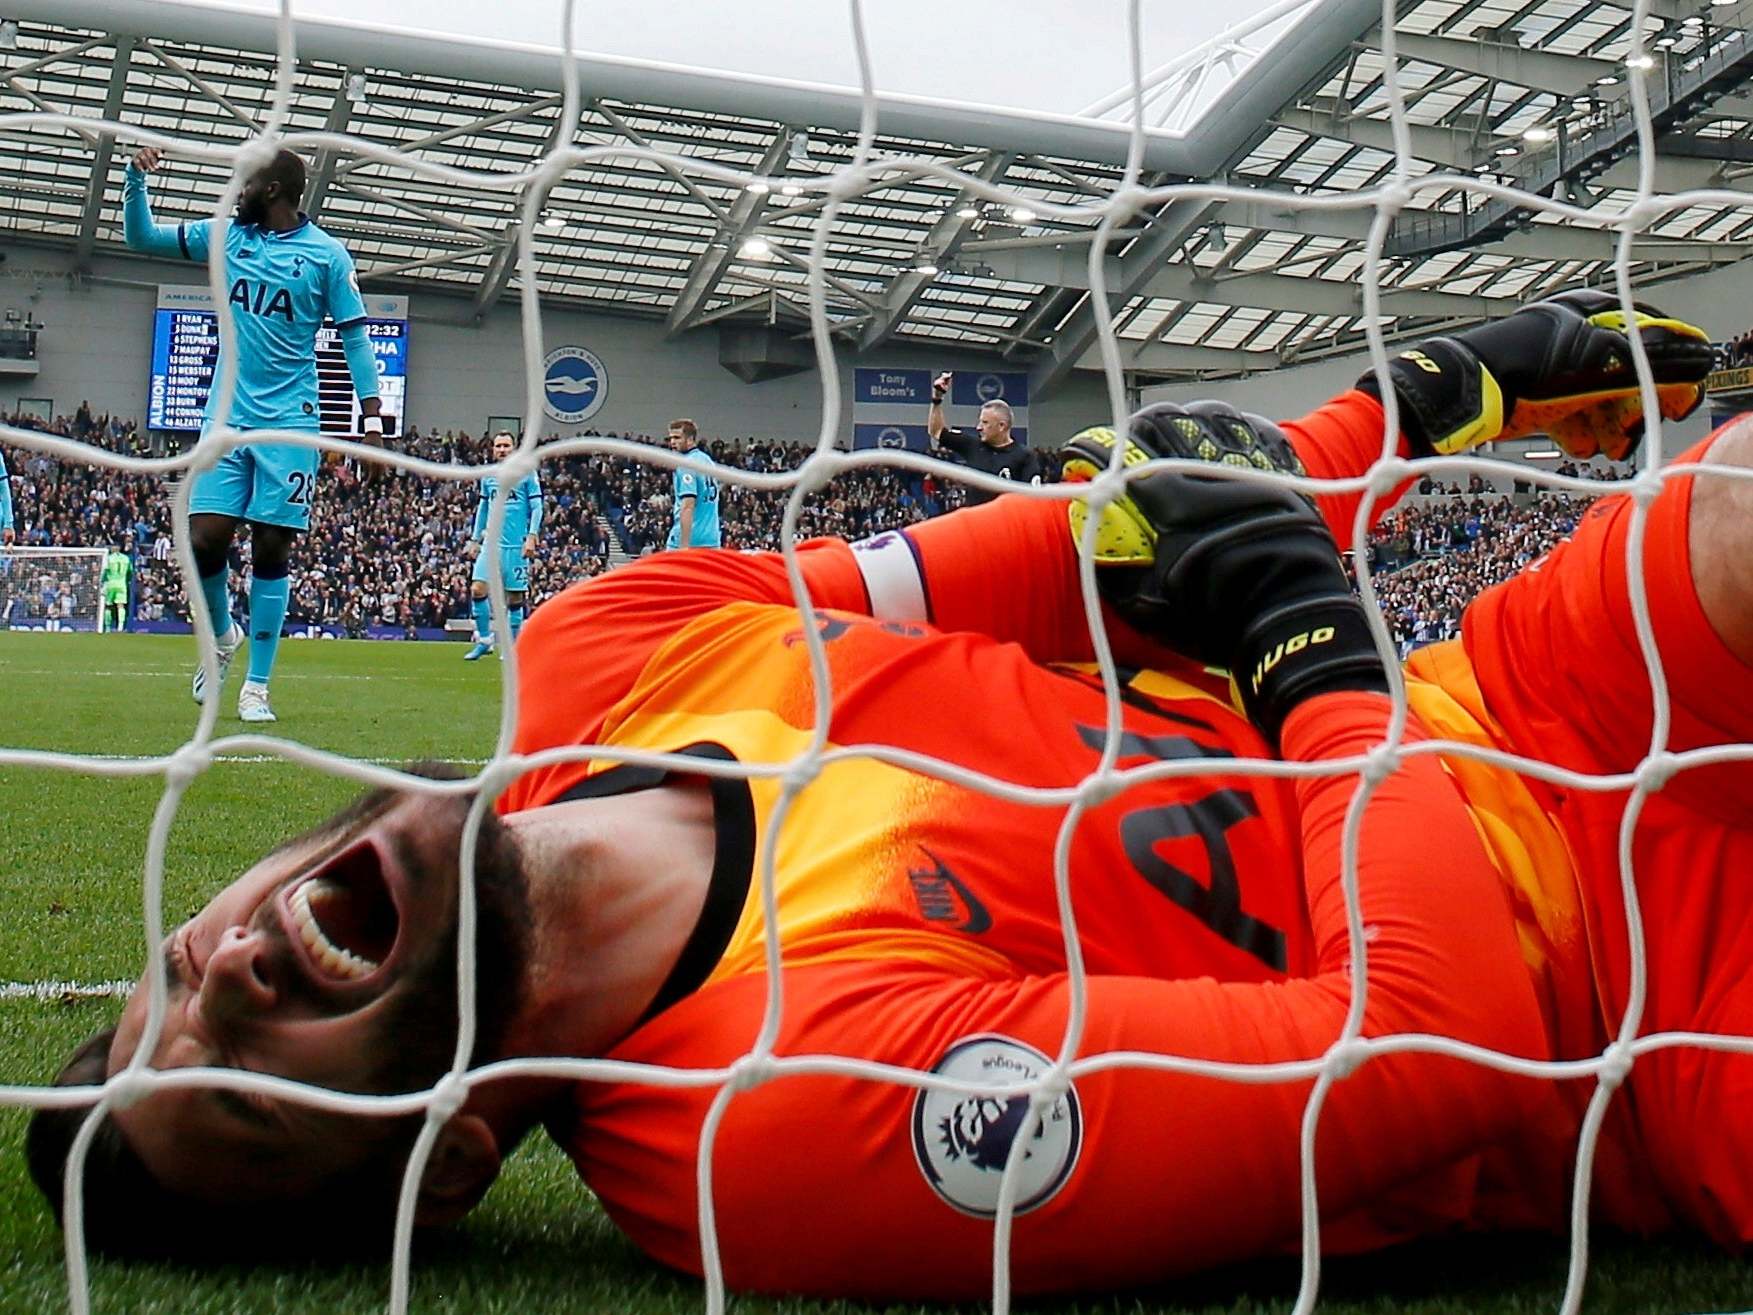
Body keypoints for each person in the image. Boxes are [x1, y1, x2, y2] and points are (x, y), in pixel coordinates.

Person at [26, 294, 1753, 1301]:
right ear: (459, 1161)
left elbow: (1131, 542)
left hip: (1524, 695)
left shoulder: (610, 641)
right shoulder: (753, 1137)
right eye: (245, 1087)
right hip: (1636, 1026)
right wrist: (1318, 673)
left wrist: (1409, 403)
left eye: (166, 984)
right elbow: (1429, 1046)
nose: (225, 980)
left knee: (1735, 505)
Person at [120, 144, 387, 723]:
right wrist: (134, 177)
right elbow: (141, 238)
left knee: (271, 545)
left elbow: (356, 338)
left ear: (272, 190)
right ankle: (221, 638)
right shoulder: (227, 236)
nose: (234, 191)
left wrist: (372, 420)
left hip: (292, 419)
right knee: (204, 541)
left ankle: (257, 687)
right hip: (225, 420)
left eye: (244, 183)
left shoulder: (327, 257)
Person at [462, 431, 543, 661]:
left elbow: (537, 507)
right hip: (491, 544)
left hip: (516, 546)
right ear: (493, 449)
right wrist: (475, 539)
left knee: (514, 598)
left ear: (514, 448)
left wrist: (532, 535)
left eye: (506, 445)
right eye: (498, 446)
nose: (502, 449)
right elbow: (483, 509)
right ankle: (485, 641)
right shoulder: (487, 476)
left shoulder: (526, 473)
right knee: (477, 589)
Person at [925, 371, 1046, 503]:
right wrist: (937, 397)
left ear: (1002, 426)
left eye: (985, 423)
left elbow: (1033, 500)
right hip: (974, 521)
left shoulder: (1025, 456)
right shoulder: (972, 446)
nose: (978, 427)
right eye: (980, 422)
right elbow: (936, 431)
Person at [664, 418, 720, 549]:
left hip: (689, 539)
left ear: (690, 439)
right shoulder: (707, 461)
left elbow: (688, 506)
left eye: (677, 438)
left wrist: (683, 545)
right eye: (670, 438)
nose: (672, 442)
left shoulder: (686, 465)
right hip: (711, 540)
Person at [98, 544, 131, 634]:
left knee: (108, 606)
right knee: (121, 605)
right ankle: (120, 627)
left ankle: (107, 627)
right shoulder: (126, 558)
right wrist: (126, 580)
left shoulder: (108, 558)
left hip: (111, 583)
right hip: (122, 584)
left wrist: (101, 582)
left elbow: (105, 571)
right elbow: (130, 572)